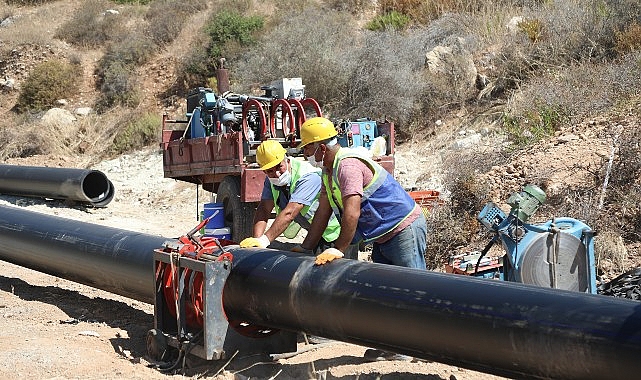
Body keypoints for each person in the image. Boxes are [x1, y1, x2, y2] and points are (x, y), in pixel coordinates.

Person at [297, 117, 427, 361]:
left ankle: (423, 350)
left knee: (413, 289)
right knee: (384, 292)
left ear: (321, 148)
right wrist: (306, 247)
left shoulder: (347, 167)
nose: (305, 155)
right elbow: (323, 211)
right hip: (382, 236)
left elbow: (352, 211)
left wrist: (338, 249)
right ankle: (393, 346)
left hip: (403, 229)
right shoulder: (328, 170)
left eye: (306, 148)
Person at [238, 140, 357, 258]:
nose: (277, 174)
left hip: (338, 235)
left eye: (279, 167)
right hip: (316, 235)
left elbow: (290, 213)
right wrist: (257, 242)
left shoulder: (307, 176)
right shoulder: (271, 181)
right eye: (270, 171)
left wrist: (265, 240)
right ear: (263, 171)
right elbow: (264, 209)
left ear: (286, 159)